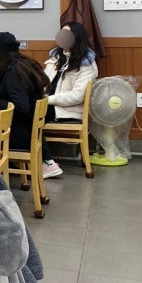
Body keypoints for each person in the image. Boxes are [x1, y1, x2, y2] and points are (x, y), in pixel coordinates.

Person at [0, 32, 51, 163]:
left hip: (19, 134)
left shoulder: (12, 73)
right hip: (28, 129)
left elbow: (20, 108)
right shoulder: (21, 64)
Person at [42, 22, 99, 178]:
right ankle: (28, 158)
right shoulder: (55, 58)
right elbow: (42, 82)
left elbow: (77, 96)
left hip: (64, 110)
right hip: (47, 103)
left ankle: (46, 162)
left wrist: (48, 100)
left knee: (27, 116)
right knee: (23, 110)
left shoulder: (86, 63)